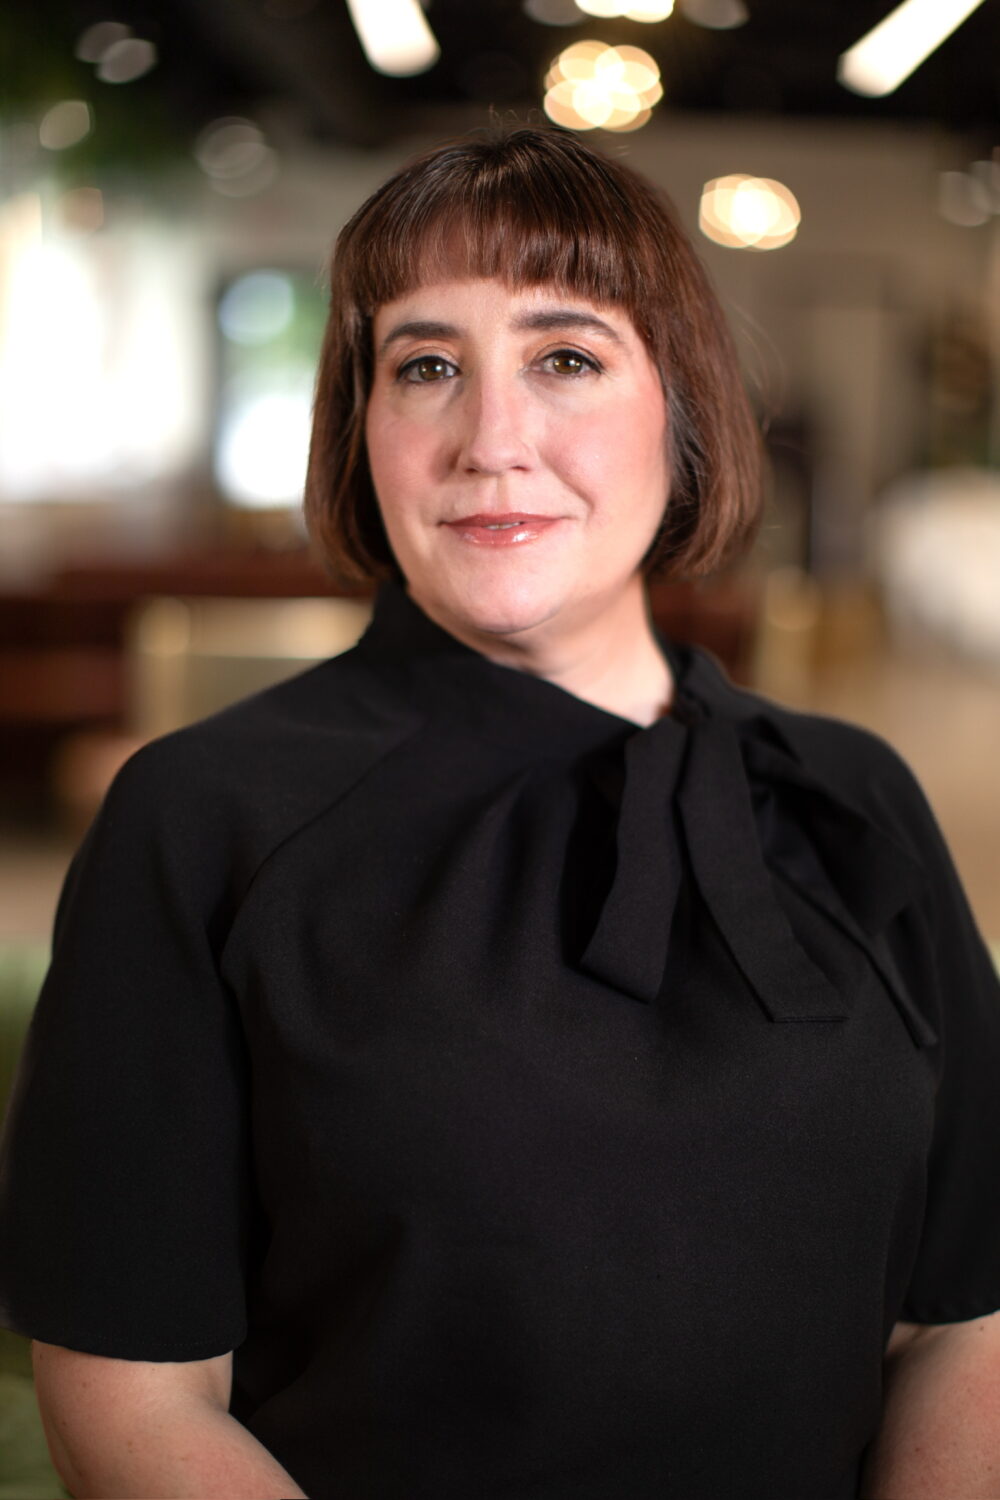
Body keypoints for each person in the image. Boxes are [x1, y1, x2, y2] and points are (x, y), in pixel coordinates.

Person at [1, 125, 999, 1500]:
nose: (491, 440)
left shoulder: (852, 795)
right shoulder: (202, 816)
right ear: (364, 431)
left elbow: (966, 1310)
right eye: (425, 368)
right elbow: (133, 1394)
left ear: (684, 409)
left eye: (567, 358)